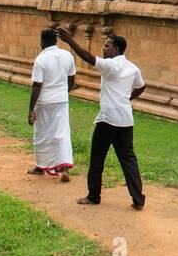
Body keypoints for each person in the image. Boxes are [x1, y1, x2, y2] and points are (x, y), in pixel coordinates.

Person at [54, 27, 146, 209]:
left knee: (97, 158)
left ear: (117, 49)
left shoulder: (111, 66)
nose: (103, 49)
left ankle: (94, 196)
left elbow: (88, 58)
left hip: (108, 120)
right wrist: (127, 98)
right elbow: (141, 86)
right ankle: (138, 199)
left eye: (107, 46)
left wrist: (69, 40)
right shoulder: (132, 68)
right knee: (128, 159)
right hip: (126, 120)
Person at [28, 27, 77, 181]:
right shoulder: (67, 55)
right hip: (61, 100)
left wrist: (31, 109)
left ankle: (40, 166)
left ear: (42, 41)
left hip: (44, 101)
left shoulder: (40, 60)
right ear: (55, 40)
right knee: (61, 133)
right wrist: (64, 91)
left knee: (41, 133)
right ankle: (64, 170)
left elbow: (37, 85)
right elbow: (72, 77)